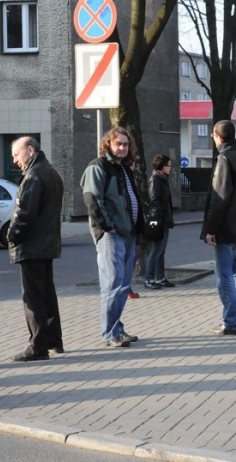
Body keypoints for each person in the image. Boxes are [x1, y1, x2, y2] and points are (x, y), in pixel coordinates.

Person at [81, 126, 145, 347]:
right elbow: (92, 199)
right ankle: (109, 333)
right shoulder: (98, 167)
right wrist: (108, 227)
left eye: (126, 144)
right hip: (112, 235)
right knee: (113, 284)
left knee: (123, 285)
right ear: (108, 144)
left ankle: (116, 327)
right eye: (118, 143)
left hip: (128, 234)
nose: (122, 148)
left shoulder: (123, 169)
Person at [6, 137, 65, 361]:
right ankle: (53, 341)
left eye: (16, 154)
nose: (15, 160)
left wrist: (11, 236)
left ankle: (38, 346)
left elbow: (25, 215)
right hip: (46, 244)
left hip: (32, 246)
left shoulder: (33, 176)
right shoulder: (50, 172)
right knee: (47, 294)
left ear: (30, 150)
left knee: (33, 298)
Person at [201, 120, 236, 334]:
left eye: (213, 136)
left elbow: (219, 198)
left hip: (226, 226)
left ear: (218, 136)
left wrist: (210, 229)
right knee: (233, 271)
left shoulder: (224, 158)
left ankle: (230, 322)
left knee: (224, 275)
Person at [144, 154, 176, 290]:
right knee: (156, 249)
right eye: (169, 165)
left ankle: (160, 277)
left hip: (164, 219)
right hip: (159, 220)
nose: (170, 168)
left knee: (161, 250)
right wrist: (159, 218)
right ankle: (149, 279)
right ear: (162, 167)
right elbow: (155, 200)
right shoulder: (156, 179)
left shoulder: (162, 179)